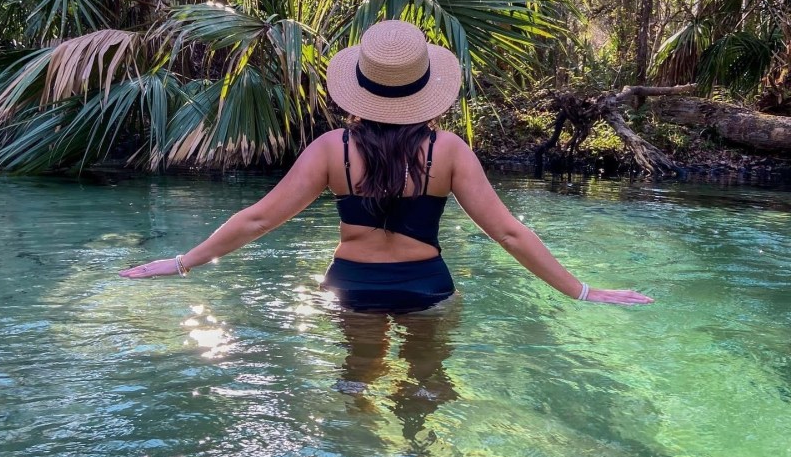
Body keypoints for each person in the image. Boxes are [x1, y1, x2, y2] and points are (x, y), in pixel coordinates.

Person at [119, 20, 653, 309]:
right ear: (426, 88)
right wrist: (581, 290)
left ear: (362, 84)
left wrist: (182, 262)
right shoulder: (448, 151)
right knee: (427, 390)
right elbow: (509, 234)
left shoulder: (332, 149)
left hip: (351, 283)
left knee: (356, 386)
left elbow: (259, 219)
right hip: (426, 284)